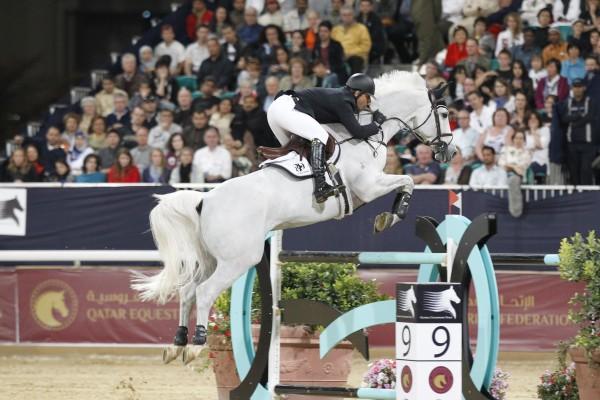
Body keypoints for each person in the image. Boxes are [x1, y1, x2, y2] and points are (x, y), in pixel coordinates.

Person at [267, 73, 386, 202]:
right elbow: (358, 132)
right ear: (357, 93)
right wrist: (376, 125)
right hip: (287, 108)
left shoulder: (341, 97)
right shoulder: (344, 100)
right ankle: (321, 186)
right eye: (367, 97)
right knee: (320, 136)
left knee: (295, 154)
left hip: (276, 110)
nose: (368, 102)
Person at [552, 77, 600, 184]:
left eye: (579, 87)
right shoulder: (567, 102)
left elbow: (589, 116)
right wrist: (579, 116)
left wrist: (573, 122)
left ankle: (586, 197)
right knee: (573, 172)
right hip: (571, 143)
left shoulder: (590, 101)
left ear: (584, 88)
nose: (577, 89)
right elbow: (564, 118)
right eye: (575, 87)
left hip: (588, 144)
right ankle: (575, 197)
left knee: (585, 171)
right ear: (572, 88)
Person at [498, 129, 532, 216]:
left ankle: (516, 211)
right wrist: (513, 166)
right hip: (503, 174)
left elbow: (523, 166)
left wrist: (510, 166)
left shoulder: (527, 153)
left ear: (524, 141)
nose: (518, 140)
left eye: (521, 138)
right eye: (517, 138)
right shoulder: (505, 149)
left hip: (518, 177)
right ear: (513, 139)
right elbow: (501, 163)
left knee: (514, 179)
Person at [332, 6, 372, 74]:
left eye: (349, 15)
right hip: (339, 57)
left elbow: (366, 46)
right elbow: (331, 45)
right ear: (341, 16)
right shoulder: (336, 30)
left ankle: (354, 83)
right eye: (344, 15)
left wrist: (349, 53)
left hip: (355, 57)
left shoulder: (361, 28)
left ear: (353, 16)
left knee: (355, 60)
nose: (347, 17)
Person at [525, 111, 551, 183]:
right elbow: (523, 147)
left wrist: (533, 132)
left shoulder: (545, 130)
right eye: (530, 118)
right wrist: (533, 146)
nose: (533, 120)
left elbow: (541, 145)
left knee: (532, 168)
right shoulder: (525, 132)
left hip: (540, 162)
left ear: (539, 120)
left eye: (535, 118)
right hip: (526, 161)